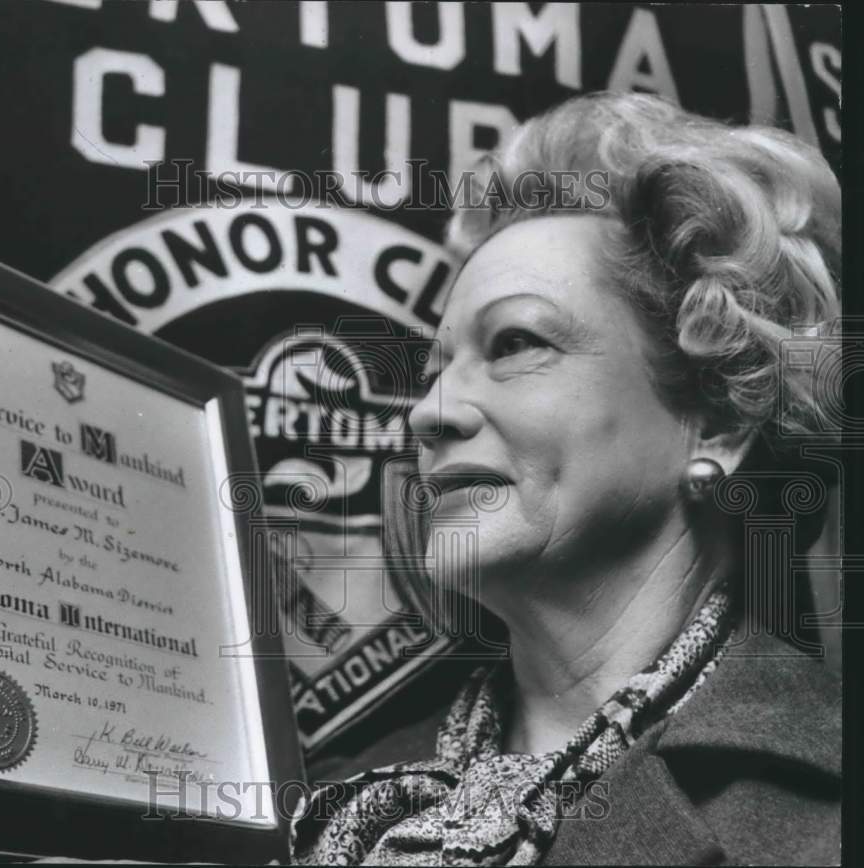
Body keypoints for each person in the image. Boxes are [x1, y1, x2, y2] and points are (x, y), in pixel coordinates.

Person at [289, 92, 842, 866]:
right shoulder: (326, 798)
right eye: (435, 368)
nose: (428, 412)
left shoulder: (827, 812)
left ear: (718, 417)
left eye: (515, 342)